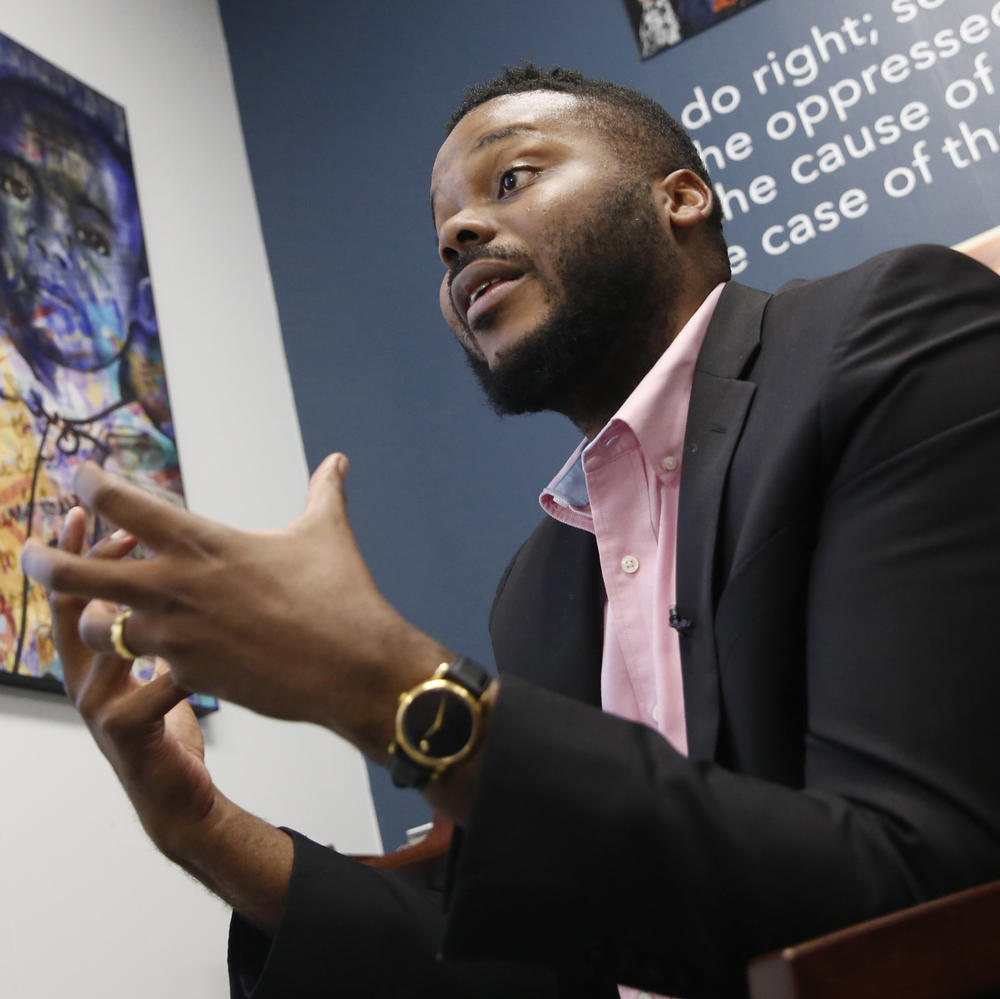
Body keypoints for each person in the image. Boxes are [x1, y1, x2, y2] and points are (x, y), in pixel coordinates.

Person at [21, 65, 1000, 998]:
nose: (458, 234)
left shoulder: (887, 333)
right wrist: (198, 826)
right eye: (442, 231)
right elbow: (550, 966)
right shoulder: (539, 588)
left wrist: (388, 687)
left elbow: (928, 891)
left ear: (681, 197)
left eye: (512, 177)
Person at [0, 77, 179, 680]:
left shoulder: (151, 481)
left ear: (143, 304)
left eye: (91, 236)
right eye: (16, 188)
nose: (46, 245)